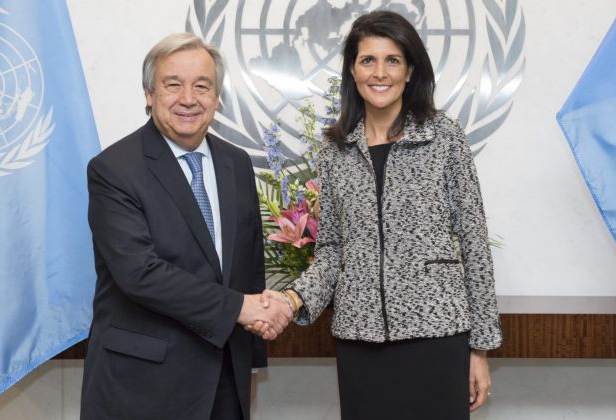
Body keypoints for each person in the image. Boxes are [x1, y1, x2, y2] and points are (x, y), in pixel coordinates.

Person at [256, 10, 503, 420]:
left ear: (410, 71)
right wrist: (292, 299)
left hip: (436, 335)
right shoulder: (334, 151)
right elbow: (332, 250)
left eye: (393, 60)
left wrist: (480, 349)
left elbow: (475, 243)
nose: (380, 72)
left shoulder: (444, 137)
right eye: (368, 60)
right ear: (352, 71)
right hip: (360, 340)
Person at [80, 33, 292, 420]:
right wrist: (240, 308)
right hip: (143, 385)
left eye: (202, 86)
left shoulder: (237, 163)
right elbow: (139, 273)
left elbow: (249, 266)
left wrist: (251, 364)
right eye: (173, 85)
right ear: (149, 94)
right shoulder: (113, 170)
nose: (189, 99)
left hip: (226, 381)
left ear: (217, 97)